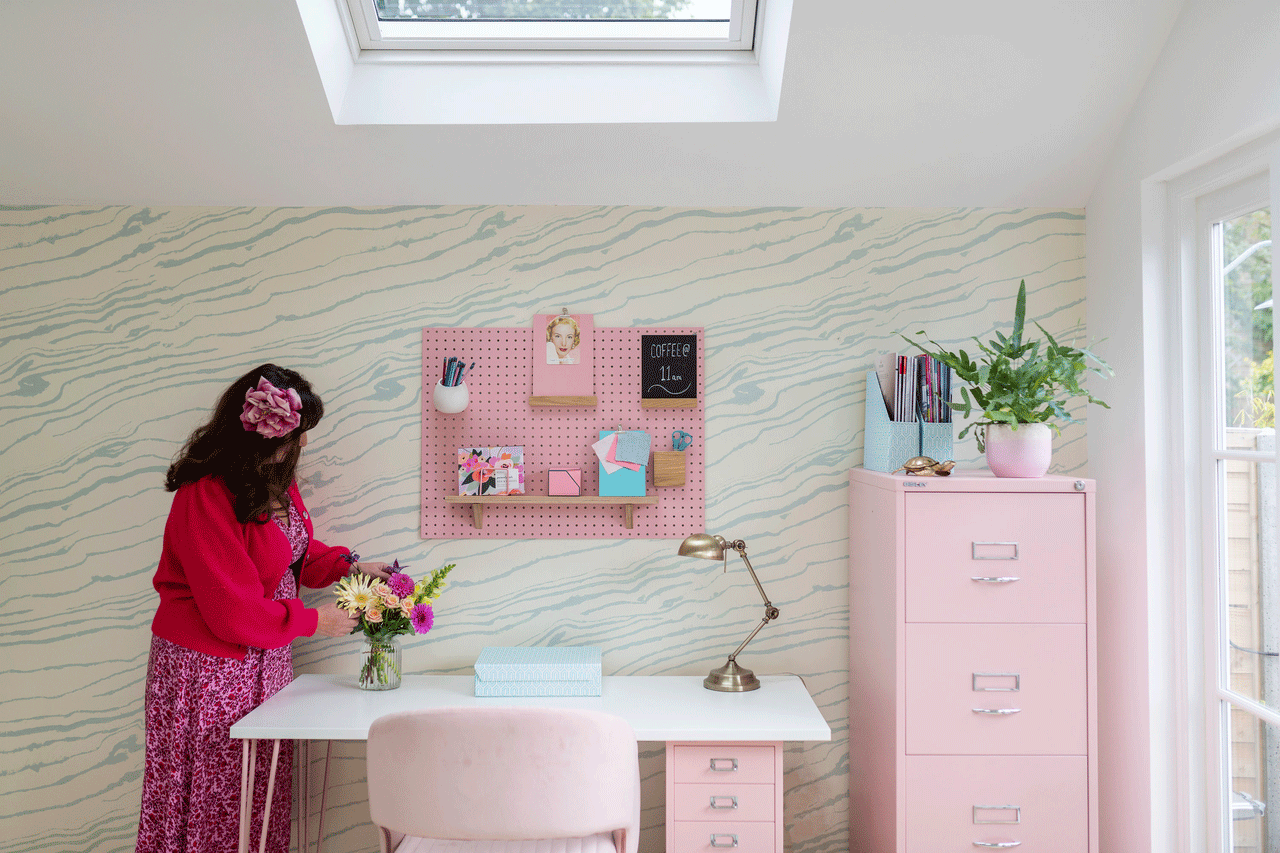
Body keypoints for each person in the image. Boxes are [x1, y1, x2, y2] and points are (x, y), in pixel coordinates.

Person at [134, 364, 390, 853]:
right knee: (212, 796)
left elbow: (292, 553)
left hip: (264, 659)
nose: (304, 444)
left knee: (256, 795)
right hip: (209, 670)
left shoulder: (274, 482)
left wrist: (351, 566)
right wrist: (316, 621)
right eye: (298, 434)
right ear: (262, 434)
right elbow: (232, 612)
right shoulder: (205, 494)